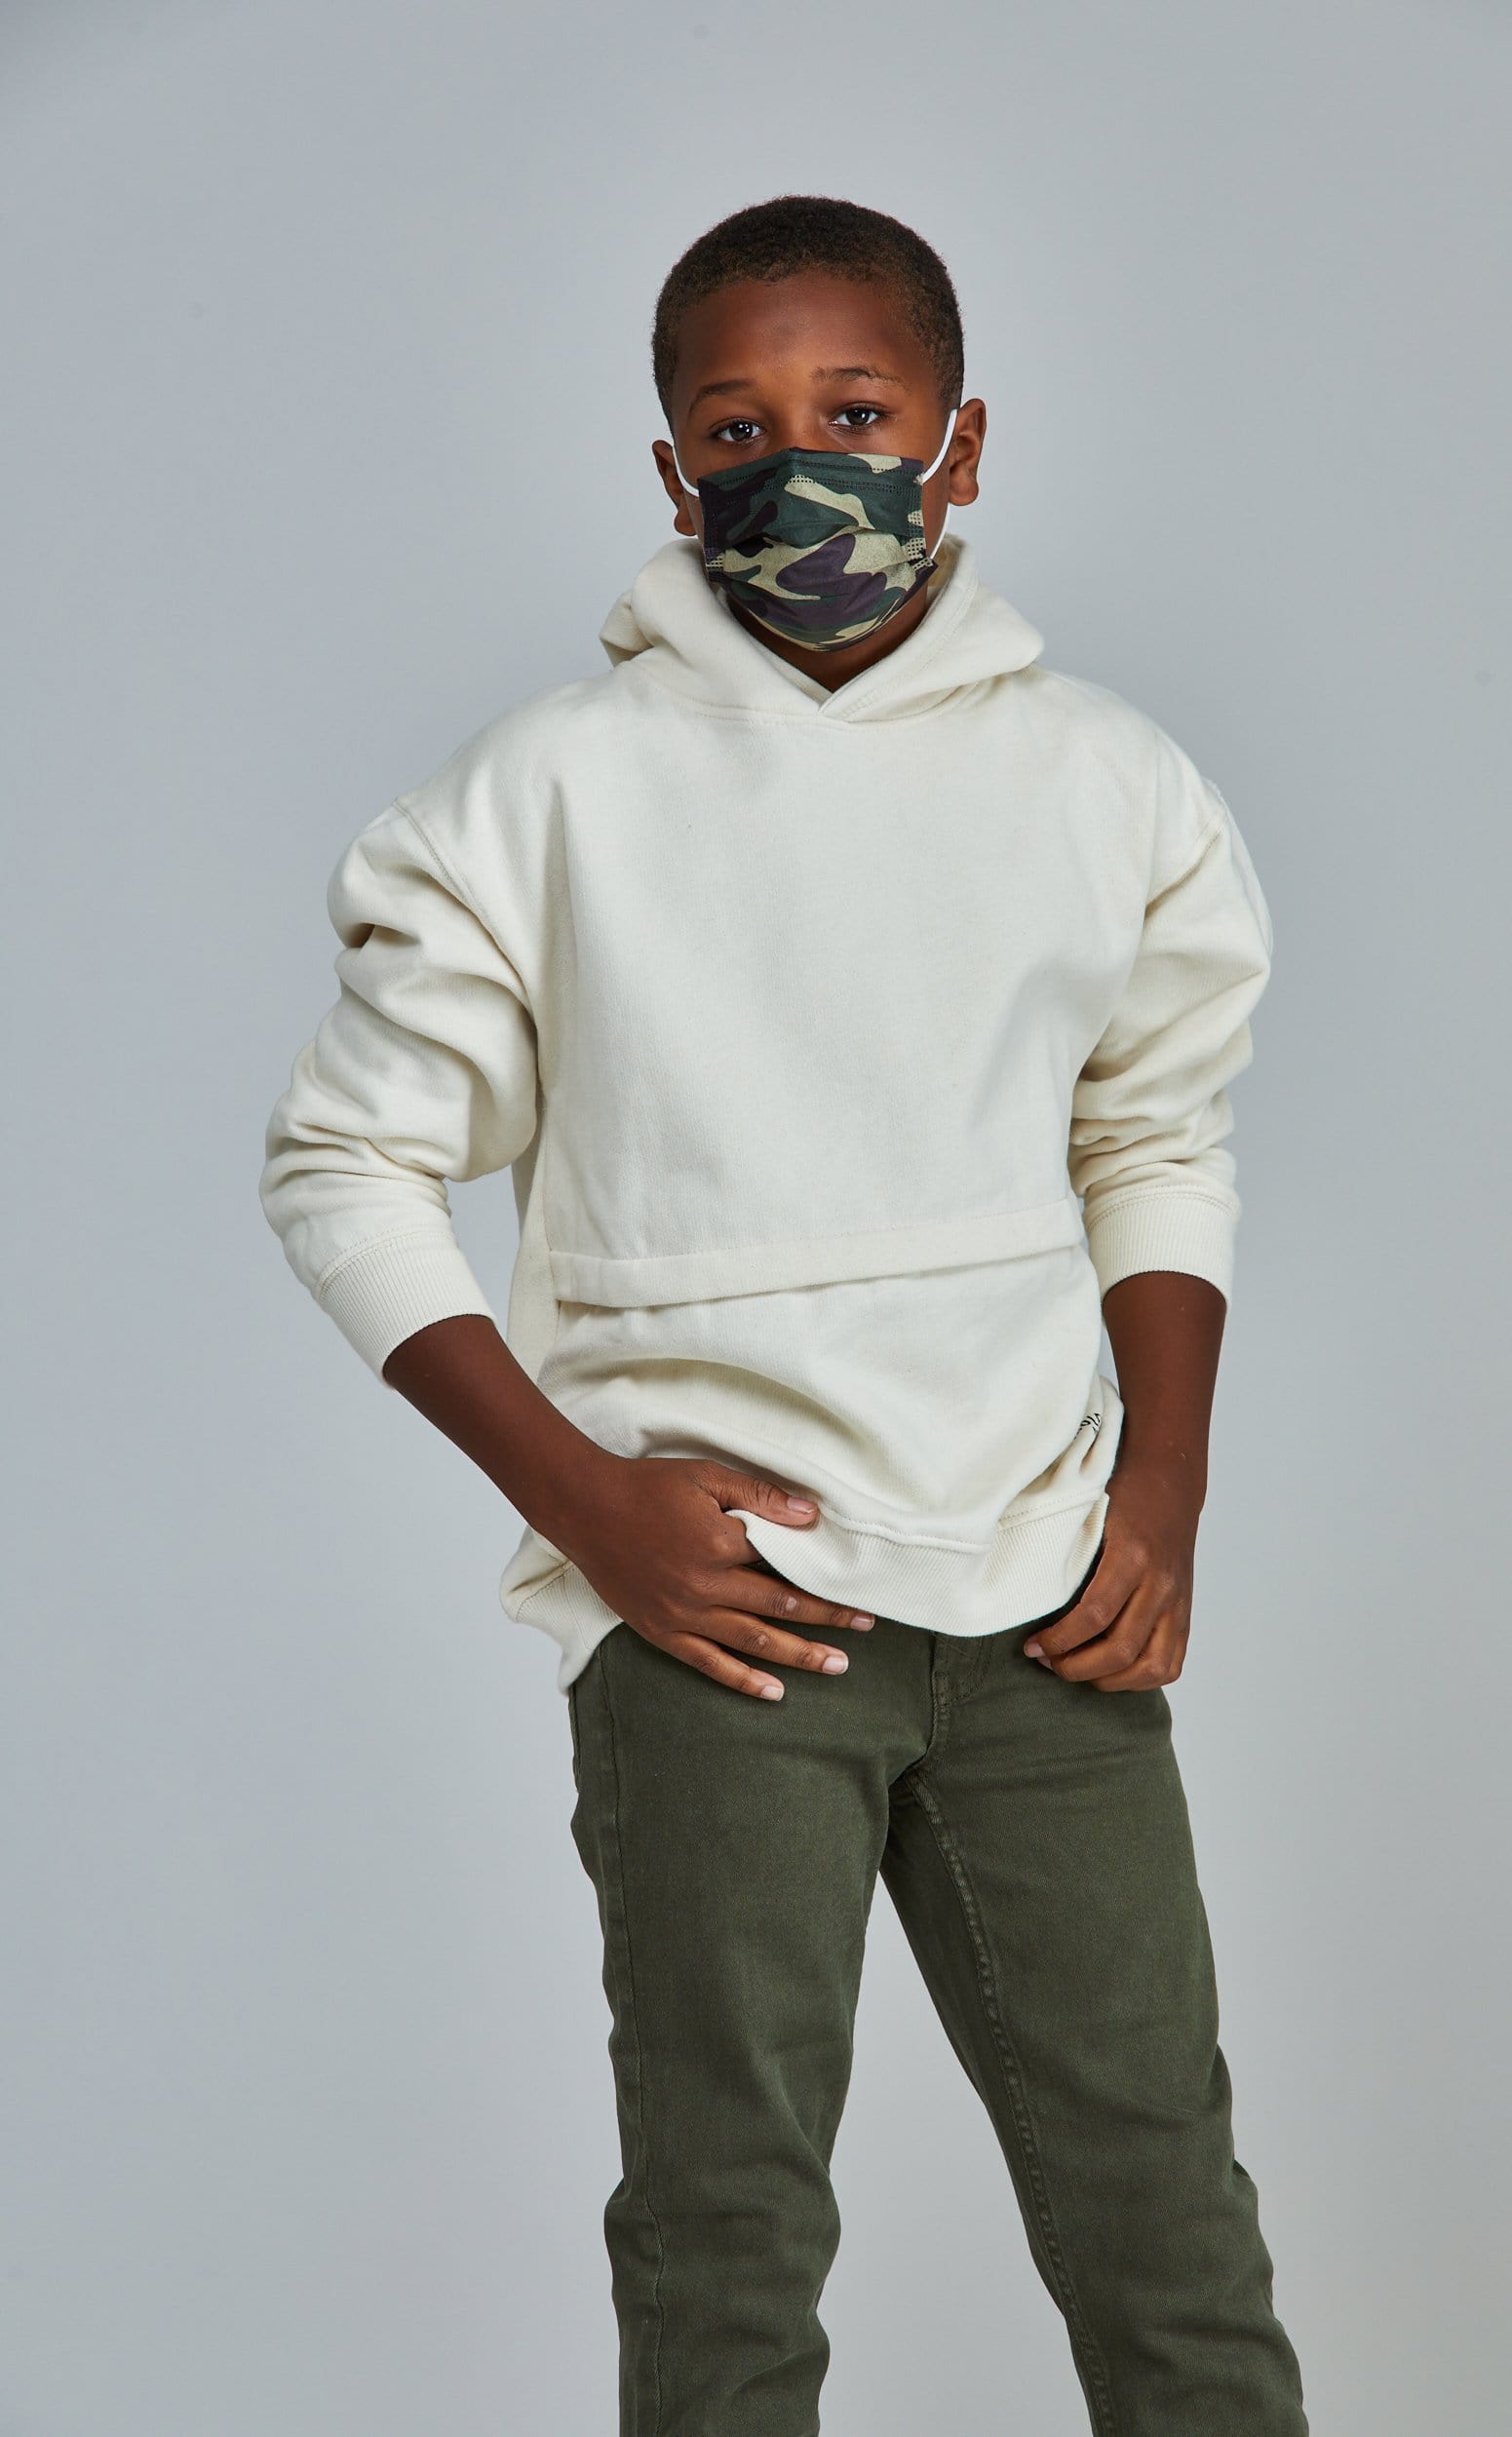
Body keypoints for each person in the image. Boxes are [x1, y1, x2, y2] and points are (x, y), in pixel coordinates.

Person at [259, 192, 1310, 2436]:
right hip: (726, 1626)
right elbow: (344, 1161)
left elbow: (1156, 1131)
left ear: (961, 440)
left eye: (859, 412)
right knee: (729, 2233)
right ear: (671, 472)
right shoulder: (546, 793)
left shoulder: (1105, 780)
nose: (801, 464)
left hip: (1046, 1594)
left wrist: (1166, 1488)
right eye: (736, 430)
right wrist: (593, 1505)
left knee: (1166, 2218)